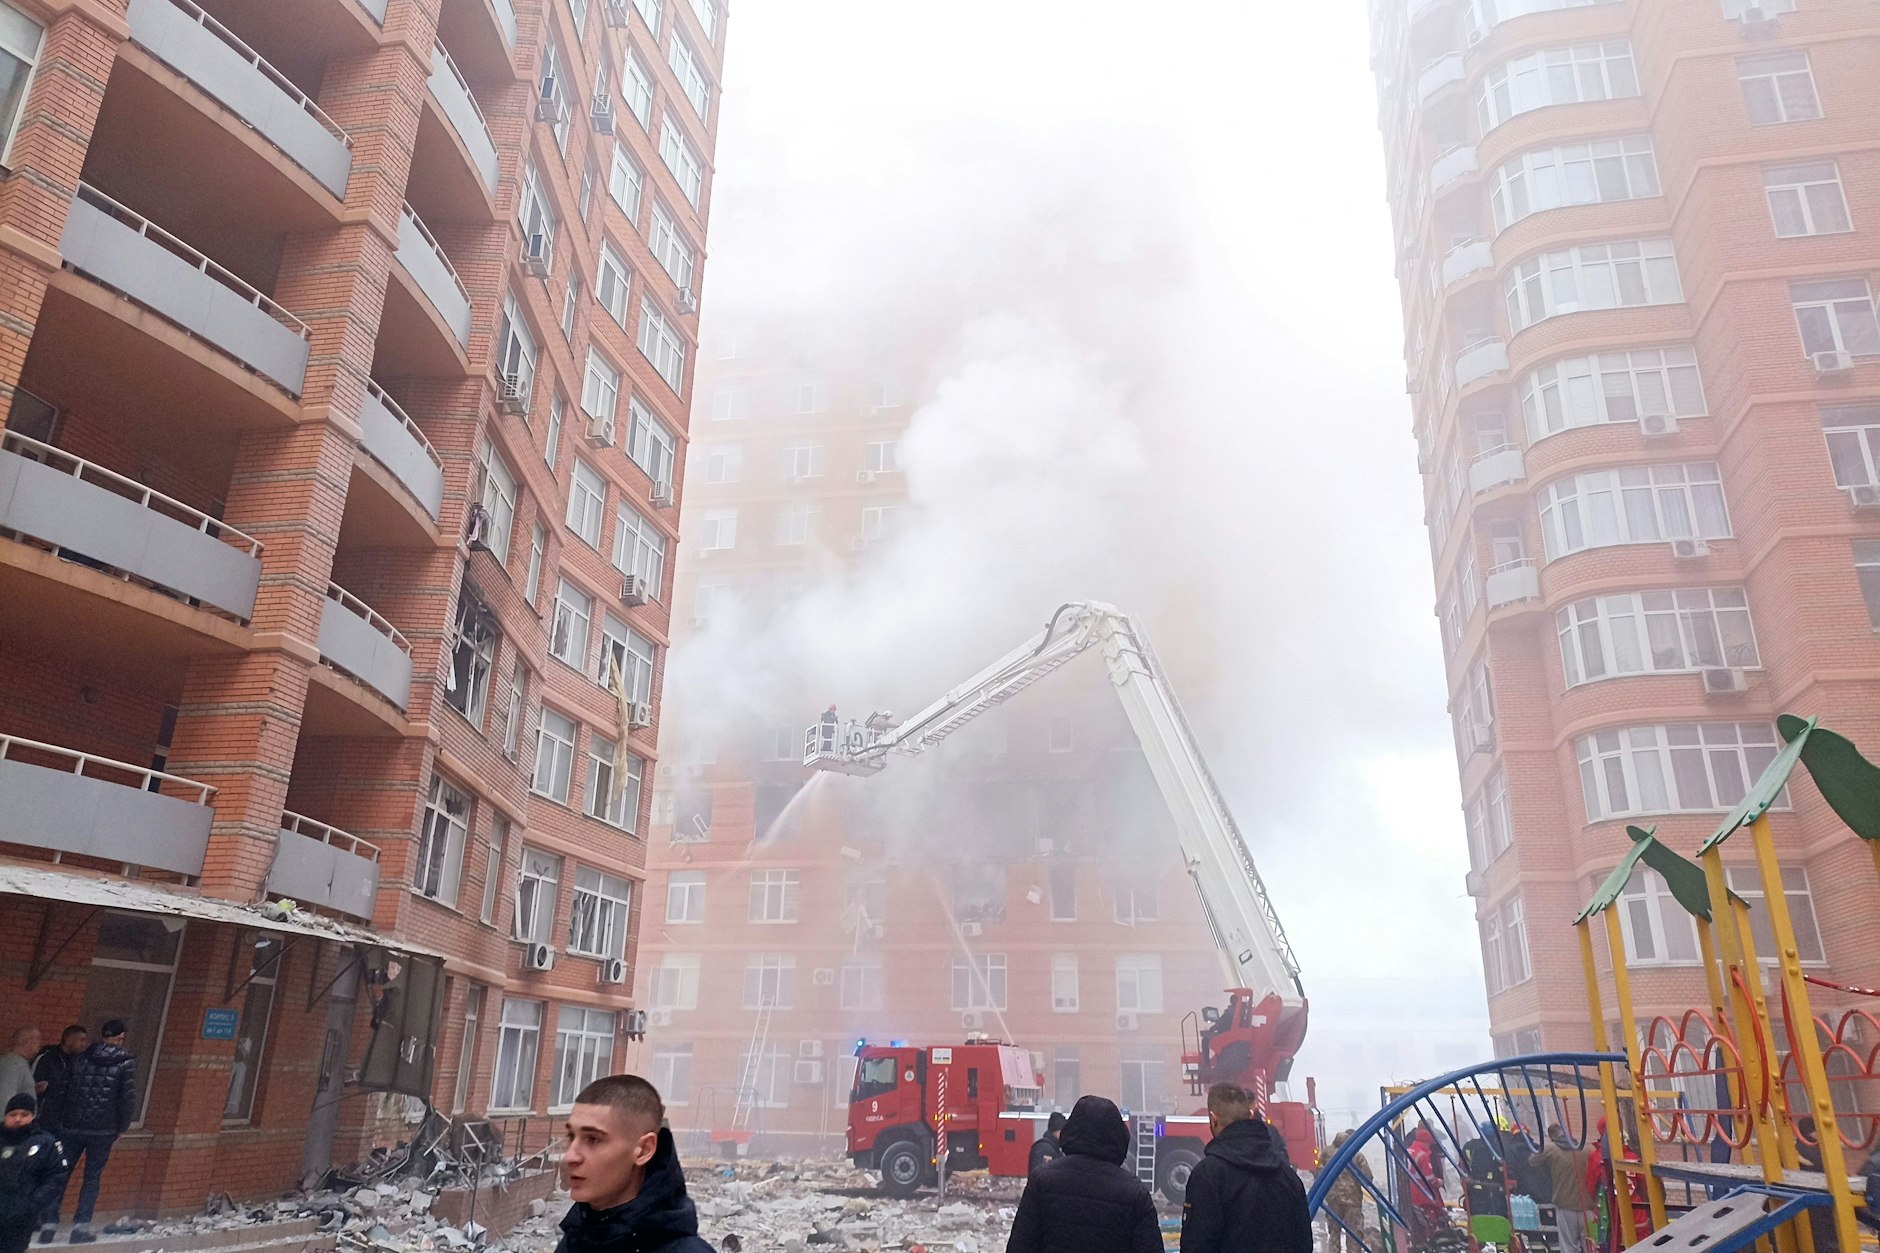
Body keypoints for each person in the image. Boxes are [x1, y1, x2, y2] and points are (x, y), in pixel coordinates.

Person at [555, 1074, 712, 1253]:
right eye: (571, 1136)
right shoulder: (575, 1240)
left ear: (644, 1150)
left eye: (593, 1139)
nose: (570, 1157)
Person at [1005, 1095, 1159, 1253]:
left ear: (1071, 1130)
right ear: (1119, 1137)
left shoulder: (1042, 1181)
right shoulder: (1135, 1193)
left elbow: (1021, 1245)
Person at [1180, 1082, 1311, 1253]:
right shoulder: (1288, 1176)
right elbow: (1303, 1243)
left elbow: (1197, 1244)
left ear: (1213, 1119)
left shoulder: (1208, 1175)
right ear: (1250, 1115)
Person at [49, 1022, 135, 1244]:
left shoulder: (80, 1058)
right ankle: (81, 1227)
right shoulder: (126, 1062)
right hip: (103, 1131)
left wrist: (63, 1120)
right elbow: (126, 1099)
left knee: (61, 1173)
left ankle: (49, 1224)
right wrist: (122, 1127)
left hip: (72, 1126)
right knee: (92, 1177)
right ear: (120, 1037)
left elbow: (66, 1091)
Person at [0, 1096, 67, 1253]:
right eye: (13, 1114)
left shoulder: (45, 1143)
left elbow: (56, 1177)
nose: (18, 1119)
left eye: (24, 1114)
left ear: (32, 1116)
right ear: (6, 1116)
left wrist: (33, 1203)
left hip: (20, 1219)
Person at [1535, 1124, 1594, 1253]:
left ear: (1552, 1137)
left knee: (1568, 1247)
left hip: (1565, 1207)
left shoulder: (1550, 1149)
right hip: (1587, 1206)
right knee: (1591, 1246)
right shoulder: (1585, 1148)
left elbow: (1532, 1160)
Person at [1324, 1129, 1373, 1253]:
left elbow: (1319, 1173)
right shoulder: (1356, 1154)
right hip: (1352, 1201)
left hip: (1333, 1200)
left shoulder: (1326, 1153)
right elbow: (1367, 1177)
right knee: (1354, 1235)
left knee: (1334, 1234)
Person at [31, 1030, 85, 1136]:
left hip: (66, 1120)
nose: (84, 1044)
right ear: (69, 1040)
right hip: (45, 1118)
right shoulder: (47, 1057)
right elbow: (32, 1083)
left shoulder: (79, 1061)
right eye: (81, 1040)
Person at [1462, 1122, 1508, 1220]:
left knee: (1478, 1219)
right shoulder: (1497, 1148)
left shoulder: (1470, 1146)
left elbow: (1462, 1166)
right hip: (1495, 1191)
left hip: (1475, 1191)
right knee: (1499, 1218)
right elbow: (1502, 1169)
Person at [0, 1032, 38, 1108]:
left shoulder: (17, 1062)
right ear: (28, 1042)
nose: (37, 1050)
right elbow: (5, 1096)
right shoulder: (14, 1063)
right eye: (37, 1044)